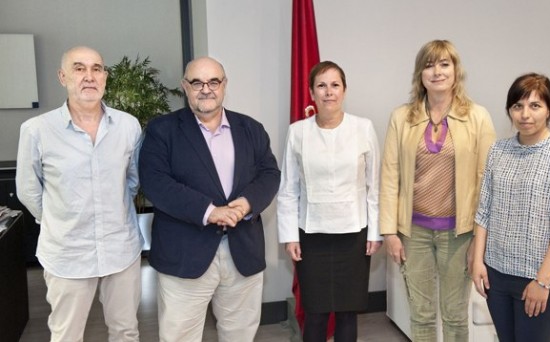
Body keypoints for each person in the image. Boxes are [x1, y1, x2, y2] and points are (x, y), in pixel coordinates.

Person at [138, 56, 280, 342]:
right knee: (180, 336)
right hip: (185, 255)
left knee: (240, 334)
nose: (206, 89)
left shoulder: (251, 129)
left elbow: (269, 173)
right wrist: (209, 211)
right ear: (185, 86)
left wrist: (246, 204)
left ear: (224, 85)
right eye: (197, 82)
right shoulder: (162, 130)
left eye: (213, 81)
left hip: (243, 252)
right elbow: (156, 183)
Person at [16, 46, 142, 341]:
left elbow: (133, 181)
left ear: (105, 77)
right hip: (68, 254)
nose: (89, 76)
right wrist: (59, 220)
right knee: (67, 335)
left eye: (96, 68)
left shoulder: (128, 126)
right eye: (79, 68)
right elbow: (27, 189)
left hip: (121, 248)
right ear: (63, 77)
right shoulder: (37, 130)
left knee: (126, 331)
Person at [379, 40, 496, 341]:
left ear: (457, 71)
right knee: (421, 315)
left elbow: (488, 180)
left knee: (456, 316)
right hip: (413, 232)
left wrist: (480, 241)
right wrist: (389, 233)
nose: (437, 71)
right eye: (429, 65)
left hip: (460, 234)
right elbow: (390, 176)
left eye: (444, 64)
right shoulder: (401, 117)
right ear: (420, 74)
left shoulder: (478, 117)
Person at [470, 73, 550, 341]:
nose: (525, 114)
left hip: (539, 280)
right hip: (496, 278)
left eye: (535, 105)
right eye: (517, 106)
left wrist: (542, 281)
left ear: (549, 110)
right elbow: (484, 211)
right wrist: (477, 263)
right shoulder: (498, 150)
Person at [277, 60, 383, 342]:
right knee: (316, 311)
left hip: (354, 235)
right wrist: (289, 236)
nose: (328, 92)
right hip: (312, 236)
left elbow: (375, 187)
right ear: (312, 92)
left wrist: (375, 232)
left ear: (344, 91)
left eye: (335, 85)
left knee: (348, 311)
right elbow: (288, 189)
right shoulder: (297, 132)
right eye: (321, 85)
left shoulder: (364, 128)